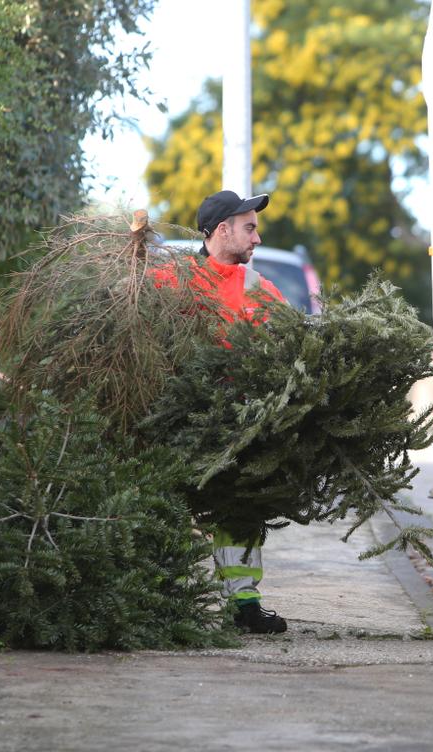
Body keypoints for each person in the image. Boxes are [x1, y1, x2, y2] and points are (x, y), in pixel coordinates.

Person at [191, 189, 289, 634]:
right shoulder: (173, 282)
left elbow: (290, 342)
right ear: (222, 230)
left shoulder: (257, 287)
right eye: (249, 227)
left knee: (242, 509)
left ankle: (243, 605)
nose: (258, 237)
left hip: (239, 424)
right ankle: (158, 597)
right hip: (182, 423)